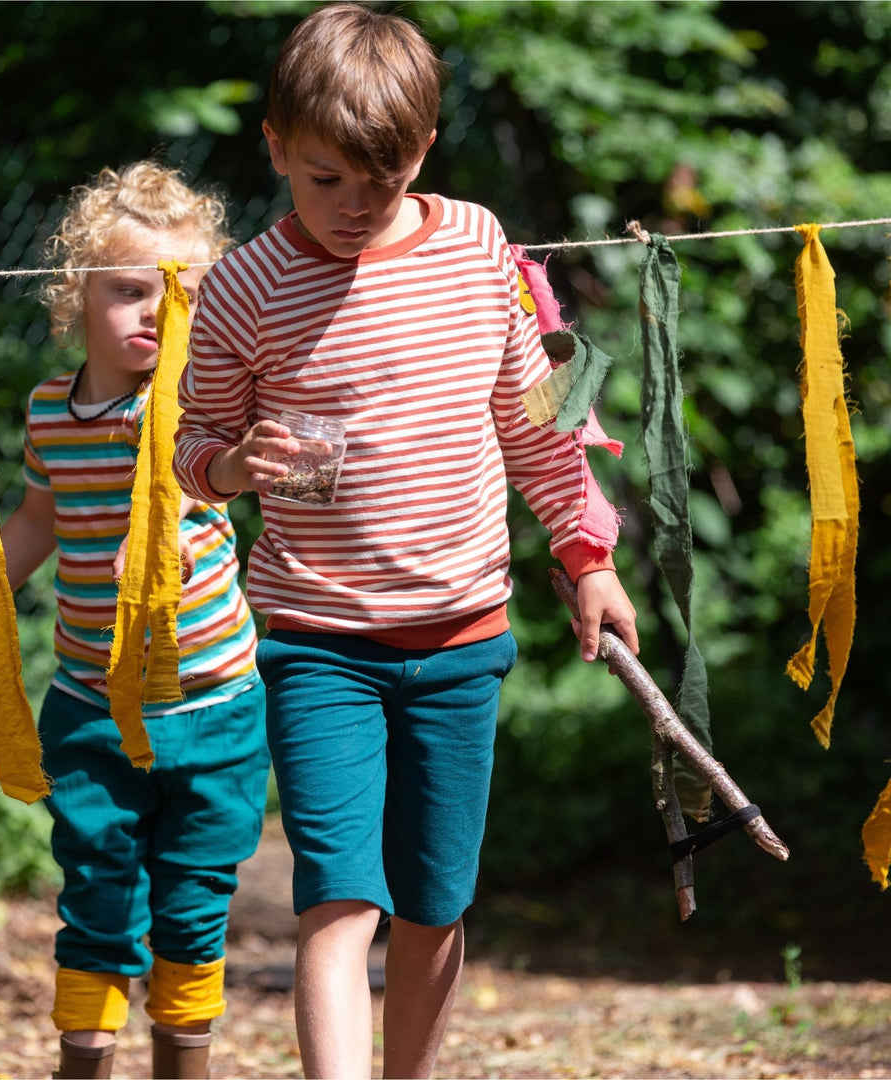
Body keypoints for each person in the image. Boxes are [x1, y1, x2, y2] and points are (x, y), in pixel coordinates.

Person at [170, 5, 641, 1078]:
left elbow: (540, 420)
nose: (349, 206)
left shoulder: (478, 248)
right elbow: (191, 447)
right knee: (341, 899)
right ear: (277, 147)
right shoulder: (243, 288)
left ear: (423, 150)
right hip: (316, 642)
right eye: (324, 178)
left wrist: (589, 555)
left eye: (376, 185)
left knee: (434, 903)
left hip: (463, 639)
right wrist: (236, 467)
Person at [0, 161, 270, 1080]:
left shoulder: (203, 407)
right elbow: (31, 524)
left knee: (194, 907)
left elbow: (233, 479)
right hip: (92, 712)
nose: (156, 311)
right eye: (132, 290)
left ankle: (184, 1062)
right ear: (77, 298)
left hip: (214, 707)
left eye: (182, 291)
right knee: (99, 901)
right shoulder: (50, 414)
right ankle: (85, 1064)